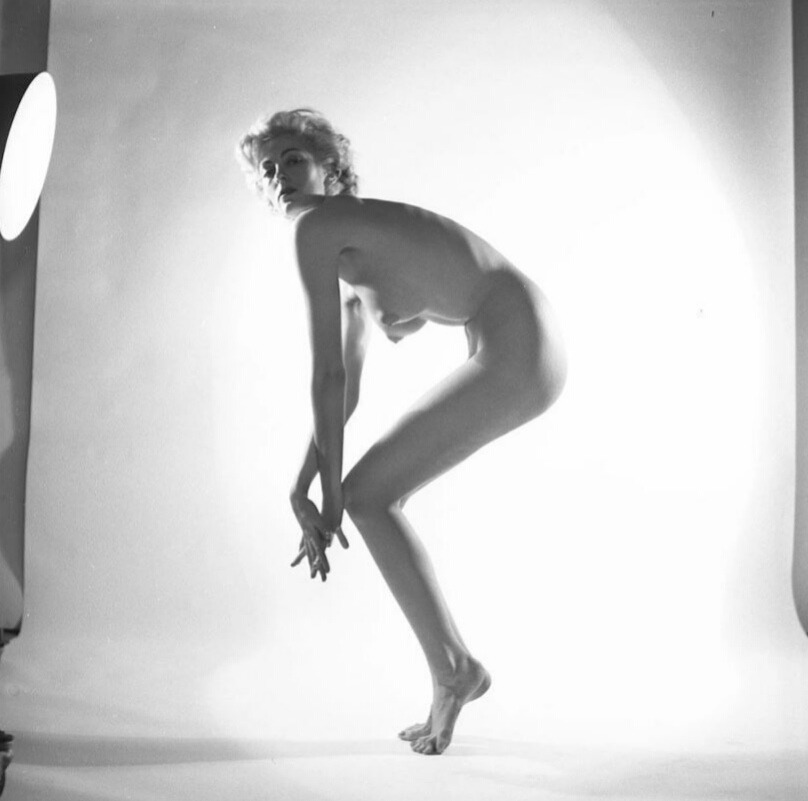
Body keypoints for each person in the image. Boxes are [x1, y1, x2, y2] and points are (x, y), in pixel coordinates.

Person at [236, 109, 568, 755]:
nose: (278, 178)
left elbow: (326, 374)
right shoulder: (348, 266)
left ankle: (455, 669)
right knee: (371, 495)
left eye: (293, 160)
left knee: (366, 496)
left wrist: (332, 496)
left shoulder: (319, 225)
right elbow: (344, 390)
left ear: (331, 168)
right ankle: (454, 669)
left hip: (519, 337)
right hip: (521, 339)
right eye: (267, 170)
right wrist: (303, 487)